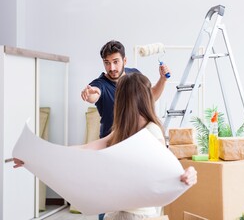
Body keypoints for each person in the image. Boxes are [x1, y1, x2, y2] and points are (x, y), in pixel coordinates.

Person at [13, 72, 197, 220]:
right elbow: (85, 149)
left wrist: (188, 174)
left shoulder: (151, 132)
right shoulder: (122, 131)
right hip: (117, 213)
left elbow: (168, 168)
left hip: (140, 215)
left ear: (123, 102)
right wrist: (34, 158)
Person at [81, 40, 170, 139]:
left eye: (115, 61)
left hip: (135, 139)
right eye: (107, 63)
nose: (111, 68)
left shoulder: (135, 75)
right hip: (111, 141)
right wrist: (89, 94)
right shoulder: (100, 84)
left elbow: (150, 97)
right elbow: (94, 94)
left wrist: (162, 79)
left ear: (125, 61)